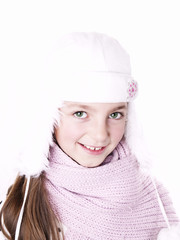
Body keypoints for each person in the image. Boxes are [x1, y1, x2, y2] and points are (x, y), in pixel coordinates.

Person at [0, 32, 179, 240]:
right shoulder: (19, 206)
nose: (100, 135)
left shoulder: (154, 199)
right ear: (49, 118)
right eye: (80, 114)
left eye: (115, 114)